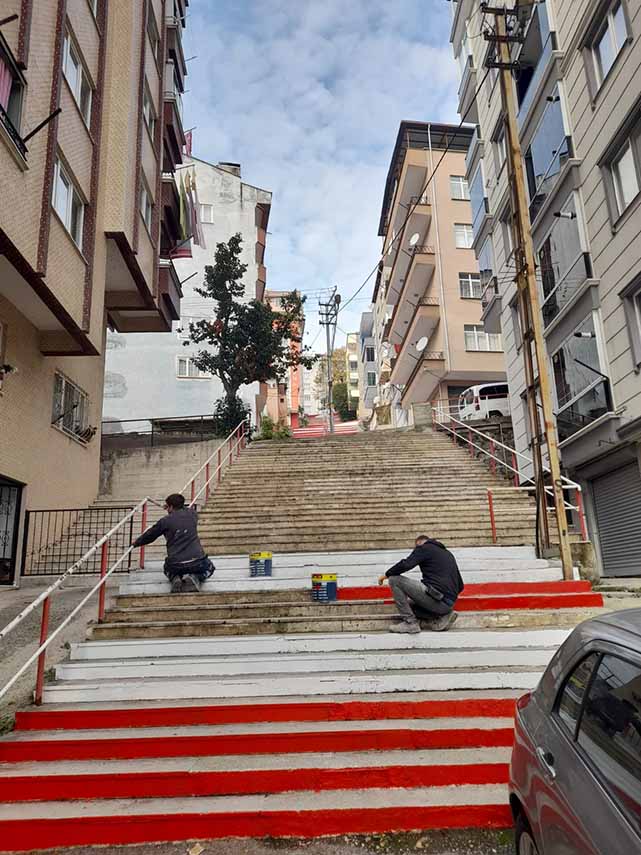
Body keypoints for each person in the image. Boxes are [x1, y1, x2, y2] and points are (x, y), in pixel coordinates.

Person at [378, 534, 464, 634]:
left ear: (419, 544)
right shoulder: (448, 553)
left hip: (437, 599)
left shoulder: (424, 547)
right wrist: (446, 600)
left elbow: (406, 564)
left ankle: (410, 623)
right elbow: (460, 585)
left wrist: (387, 574)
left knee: (394, 580)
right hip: (448, 605)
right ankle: (440, 616)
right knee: (408, 604)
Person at [133, 493, 215, 593]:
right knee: (210, 568)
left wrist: (136, 543)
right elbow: (184, 510)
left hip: (175, 564)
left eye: (167, 507)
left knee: (167, 568)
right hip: (197, 561)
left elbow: (150, 535)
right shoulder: (193, 514)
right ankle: (195, 577)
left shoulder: (164, 521)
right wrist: (172, 506)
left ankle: (175, 578)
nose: (167, 510)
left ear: (171, 507)